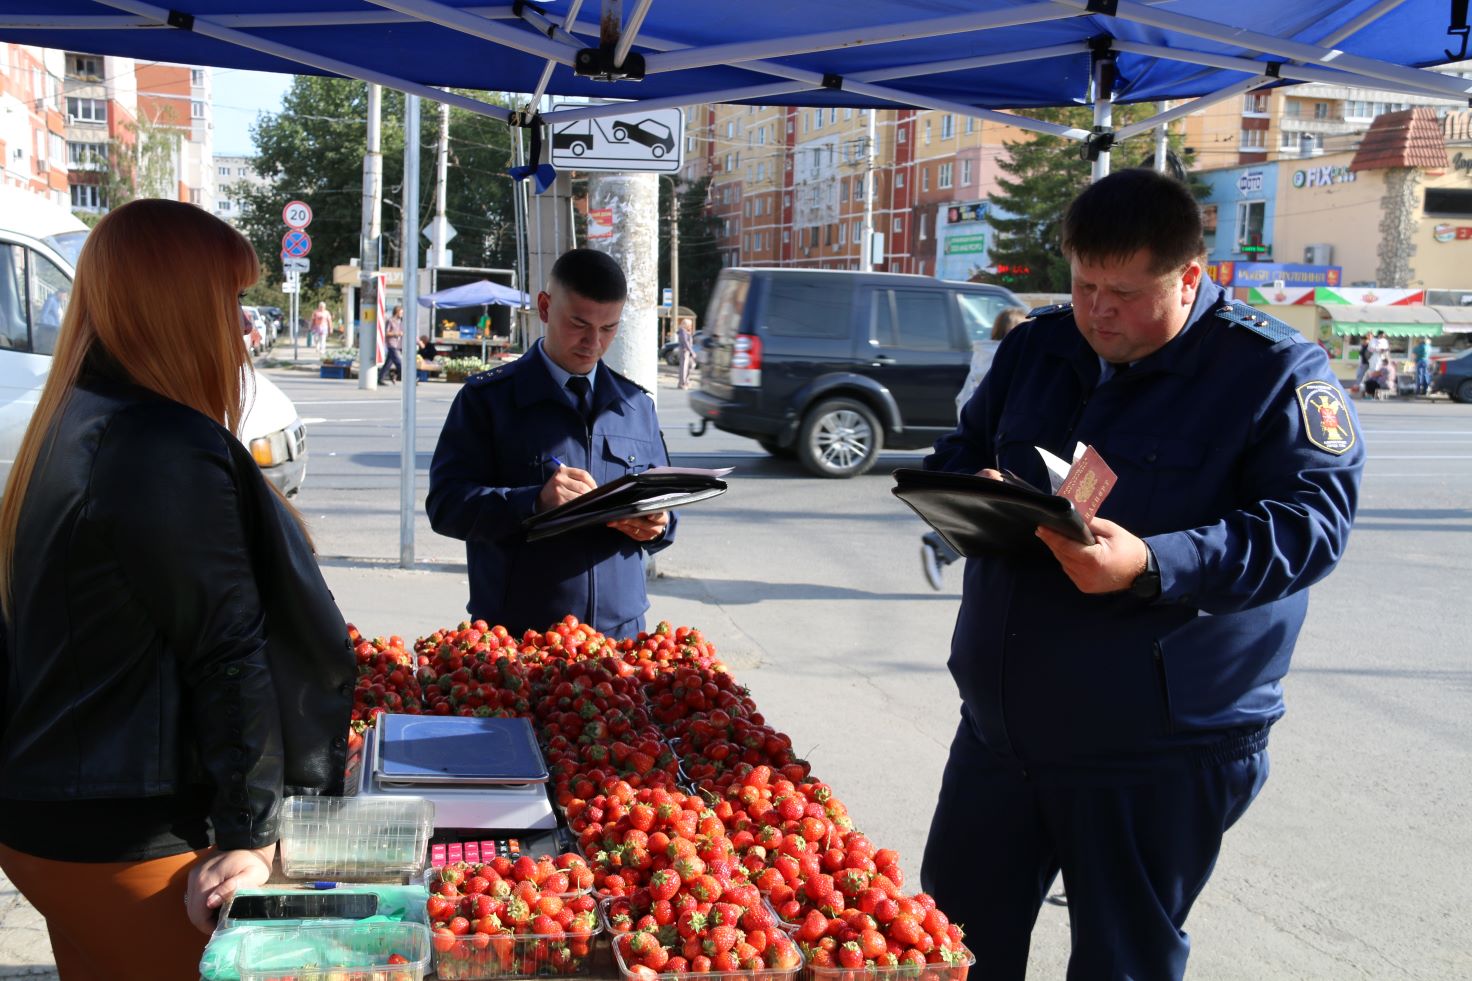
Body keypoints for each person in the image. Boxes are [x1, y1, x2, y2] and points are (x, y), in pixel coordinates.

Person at [917, 169, 1363, 980]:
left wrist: (1153, 562)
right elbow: (962, 450)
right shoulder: (1037, 347)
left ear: (1190, 275)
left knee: (1123, 961)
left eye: (1123, 292)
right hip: (1002, 733)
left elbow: (1310, 529)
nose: (1097, 311)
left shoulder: (1271, 372)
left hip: (1156, 751)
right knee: (950, 947)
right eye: (1083, 284)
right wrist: (970, 493)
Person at [0, 200, 354, 980]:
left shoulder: (71, 420)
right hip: (135, 831)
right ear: (179, 305)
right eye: (229, 300)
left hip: (57, 814)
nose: (242, 329)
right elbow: (226, 647)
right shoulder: (164, 445)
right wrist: (251, 835)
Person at [426, 248, 677, 638]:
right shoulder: (488, 400)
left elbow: (667, 504)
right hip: (521, 639)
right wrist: (534, 502)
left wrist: (659, 525)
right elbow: (445, 506)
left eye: (609, 328)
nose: (593, 342)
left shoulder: (635, 405)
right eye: (579, 323)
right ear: (544, 307)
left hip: (622, 643)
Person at [920, 305, 1029, 590]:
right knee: (996, 512)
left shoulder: (982, 356)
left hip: (977, 436)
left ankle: (940, 545)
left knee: (987, 508)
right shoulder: (1013, 360)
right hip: (998, 445)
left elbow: (964, 400)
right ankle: (939, 545)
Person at [379, 303, 404, 385]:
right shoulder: (390, 321)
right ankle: (409, 378)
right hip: (391, 344)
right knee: (398, 362)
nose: (402, 314)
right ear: (396, 312)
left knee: (388, 363)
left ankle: (381, 378)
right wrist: (396, 333)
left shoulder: (400, 321)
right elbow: (386, 333)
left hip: (397, 344)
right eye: (401, 313)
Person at [677, 316, 697, 390]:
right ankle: (682, 383)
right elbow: (685, 342)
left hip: (687, 351)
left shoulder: (685, 331)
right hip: (684, 351)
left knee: (691, 365)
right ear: (686, 324)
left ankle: (686, 381)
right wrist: (692, 352)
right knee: (684, 368)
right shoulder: (682, 331)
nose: (690, 326)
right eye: (690, 324)